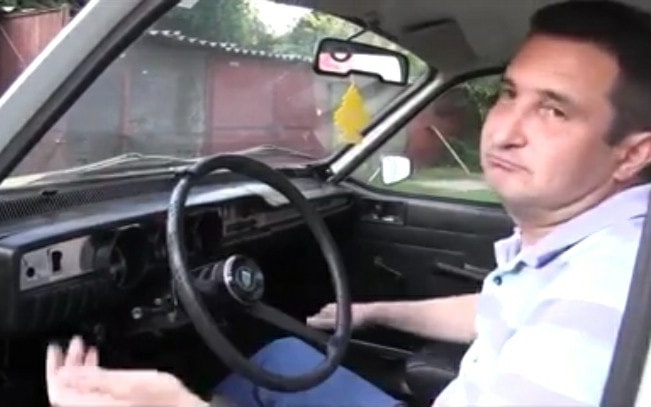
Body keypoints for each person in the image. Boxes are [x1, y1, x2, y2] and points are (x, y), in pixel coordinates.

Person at [45, 0, 651, 406]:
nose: (505, 129)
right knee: (285, 357)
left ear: (631, 155)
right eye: (510, 94)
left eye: (554, 110)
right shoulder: (575, 250)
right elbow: (499, 306)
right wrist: (373, 311)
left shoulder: (604, 292)